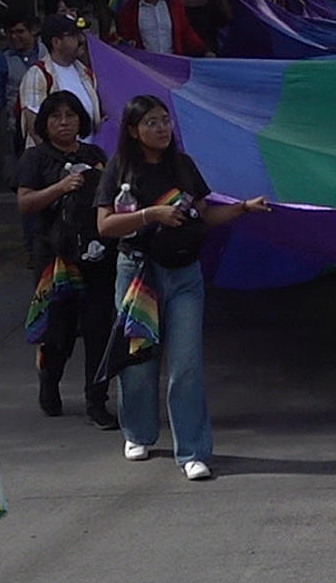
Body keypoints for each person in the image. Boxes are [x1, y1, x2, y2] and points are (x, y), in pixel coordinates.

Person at [94, 95, 270, 480]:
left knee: (186, 364)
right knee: (139, 361)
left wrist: (242, 208)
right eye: (151, 123)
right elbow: (105, 226)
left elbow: (206, 215)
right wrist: (149, 215)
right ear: (132, 130)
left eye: (164, 121)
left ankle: (193, 450)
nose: (161, 129)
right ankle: (138, 432)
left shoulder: (182, 166)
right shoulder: (119, 168)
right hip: (138, 275)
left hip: (184, 275)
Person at [17, 91, 118, 429]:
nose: (65, 122)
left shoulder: (95, 154)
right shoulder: (36, 158)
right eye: (57, 116)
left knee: (98, 328)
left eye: (71, 115)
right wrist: (61, 188)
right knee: (58, 330)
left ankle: (97, 401)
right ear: (45, 123)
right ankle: (50, 379)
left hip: (98, 254)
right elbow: (26, 203)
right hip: (55, 257)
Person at [0, 14, 47, 174]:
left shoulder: (49, 51)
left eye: (20, 32)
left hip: (51, 123)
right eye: (11, 33)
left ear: (33, 31)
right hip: (19, 129)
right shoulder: (1, 61)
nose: (15, 37)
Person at [19, 14, 102, 143]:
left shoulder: (86, 73)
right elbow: (35, 128)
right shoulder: (38, 74)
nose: (81, 39)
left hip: (87, 157)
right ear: (56, 42)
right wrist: (59, 160)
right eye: (73, 35)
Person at [117, 0, 208, 56]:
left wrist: (204, 51)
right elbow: (125, 37)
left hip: (172, 61)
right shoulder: (130, 9)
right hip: (143, 64)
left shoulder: (175, 4)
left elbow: (186, 32)